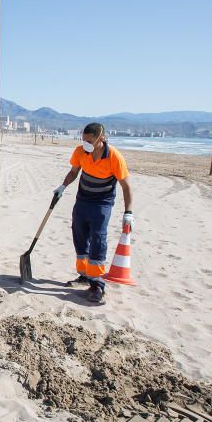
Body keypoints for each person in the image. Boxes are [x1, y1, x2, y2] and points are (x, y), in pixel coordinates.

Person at [53, 123, 133, 303]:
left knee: (98, 238)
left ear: (101, 138)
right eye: (83, 140)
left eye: (89, 141)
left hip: (102, 203)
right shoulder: (81, 152)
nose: (85, 144)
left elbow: (126, 186)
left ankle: (97, 284)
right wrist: (63, 186)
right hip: (82, 200)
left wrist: (128, 212)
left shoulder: (114, 156)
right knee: (79, 235)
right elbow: (74, 172)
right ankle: (84, 276)